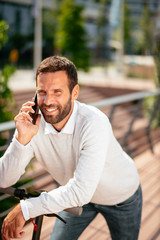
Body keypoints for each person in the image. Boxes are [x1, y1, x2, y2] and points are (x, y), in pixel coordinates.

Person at [0, 56, 142, 240]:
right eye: (42, 92)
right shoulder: (33, 124)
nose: (48, 101)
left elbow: (81, 190)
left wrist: (27, 208)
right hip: (73, 196)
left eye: (57, 92)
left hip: (120, 198)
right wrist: (22, 140)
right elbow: (4, 179)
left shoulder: (93, 122)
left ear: (75, 92)